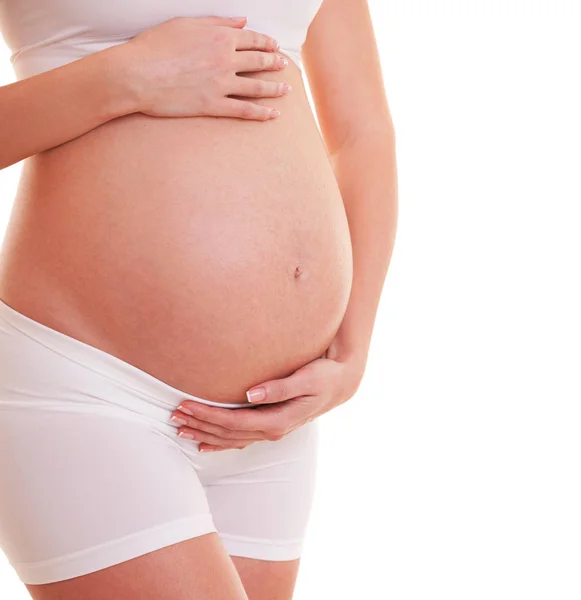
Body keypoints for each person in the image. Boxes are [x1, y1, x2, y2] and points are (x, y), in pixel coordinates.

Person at [0, 1, 397, 598]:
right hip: (85, 385)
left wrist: (350, 353)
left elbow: (363, 133)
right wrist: (125, 77)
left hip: (274, 422)